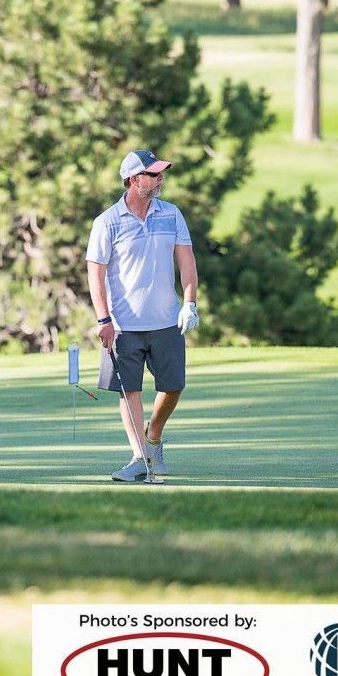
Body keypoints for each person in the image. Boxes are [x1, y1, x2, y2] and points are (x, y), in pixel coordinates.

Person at [85, 149, 200, 482]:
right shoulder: (107, 222)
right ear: (135, 180)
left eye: (161, 173)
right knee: (129, 390)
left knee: (174, 386)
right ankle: (139, 457)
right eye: (154, 174)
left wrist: (189, 302)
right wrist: (103, 319)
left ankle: (153, 436)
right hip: (124, 324)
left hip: (166, 320)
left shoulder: (172, 214)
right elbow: (96, 273)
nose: (161, 178)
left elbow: (187, 260)